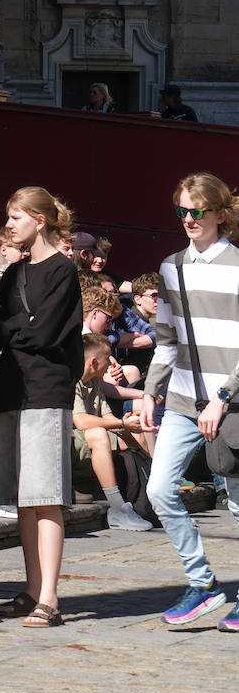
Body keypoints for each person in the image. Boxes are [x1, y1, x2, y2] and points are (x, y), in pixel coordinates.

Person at [0, 186, 84, 629]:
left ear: (39, 221)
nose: (10, 225)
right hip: (11, 388)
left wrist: (13, 327)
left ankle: (50, 597)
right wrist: (12, 323)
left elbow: (44, 335)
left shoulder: (63, 270)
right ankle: (30, 588)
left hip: (45, 389)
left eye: (17, 217)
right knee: (25, 498)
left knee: (46, 498)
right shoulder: (12, 274)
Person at [142, 173, 239, 629]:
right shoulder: (169, 267)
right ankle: (203, 584)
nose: (188, 220)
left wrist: (223, 396)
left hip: (233, 403)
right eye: (181, 211)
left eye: (196, 211)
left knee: (238, 505)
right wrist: (149, 390)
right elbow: (166, 339)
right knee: (159, 489)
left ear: (220, 213)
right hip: (182, 400)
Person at [72, 332, 151, 531]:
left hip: (86, 436)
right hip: (66, 441)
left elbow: (107, 417)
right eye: (108, 359)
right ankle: (117, 509)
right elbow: (81, 421)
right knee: (99, 434)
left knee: (135, 434)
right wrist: (121, 425)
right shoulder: (70, 381)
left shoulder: (95, 381)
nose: (112, 365)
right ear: (93, 362)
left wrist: (125, 425)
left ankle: (154, 498)